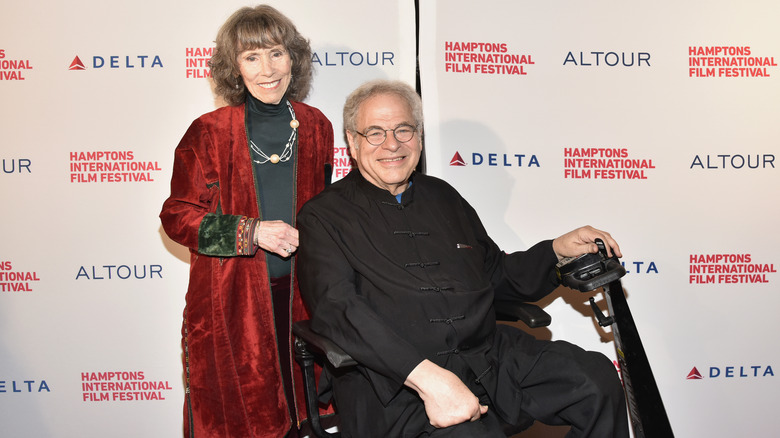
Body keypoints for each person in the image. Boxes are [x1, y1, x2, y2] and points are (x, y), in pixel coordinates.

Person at [296, 80, 629, 437]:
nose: (392, 144)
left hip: (487, 356)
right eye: (375, 132)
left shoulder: (444, 196)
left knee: (596, 380)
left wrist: (555, 251)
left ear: (419, 137)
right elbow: (339, 312)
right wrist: (427, 378)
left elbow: (494, 274)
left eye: (403, 129)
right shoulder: (323, 215)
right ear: (353, 141)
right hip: (393, 382)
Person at [159, 5, 333, 438]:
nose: (267, 69)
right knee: (242, 420)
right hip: (231, 303)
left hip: (304, 301)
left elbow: (328, 212)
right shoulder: (208, 132)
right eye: (251, 58)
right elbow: (176, 217)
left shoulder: (317, 127)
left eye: (276, 53)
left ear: (293, 57)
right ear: (234, 68)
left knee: (306, 416)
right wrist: (251, 231)